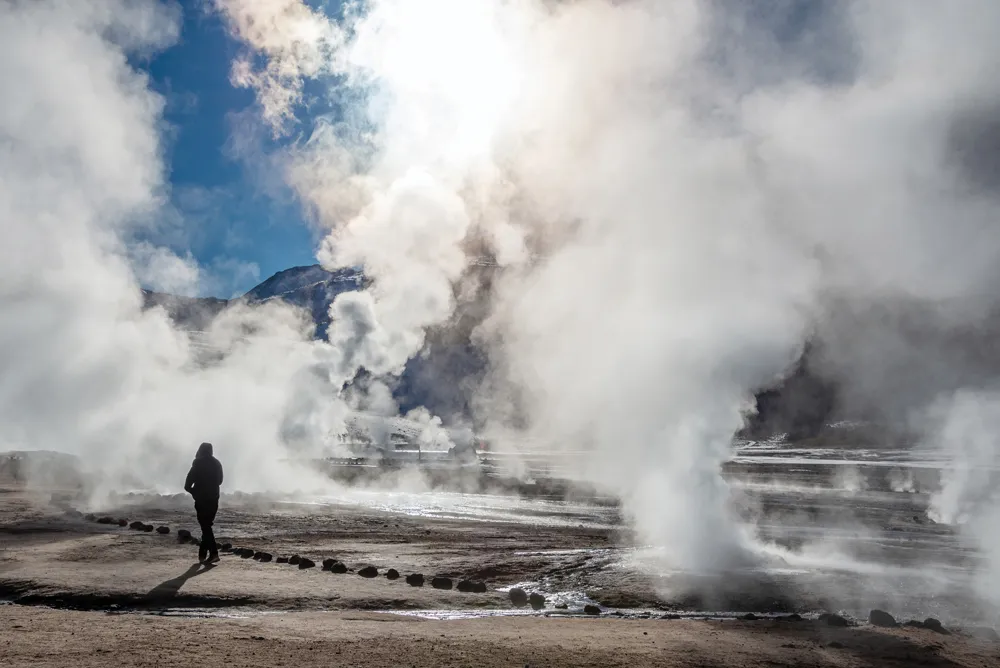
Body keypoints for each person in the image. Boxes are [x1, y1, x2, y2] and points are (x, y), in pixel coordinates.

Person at [184, 442, 224, 563]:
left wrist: (194, 492)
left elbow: (187, 485)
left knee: (205, 526)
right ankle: (202, 554)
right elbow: (220, 481)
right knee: (207, 526)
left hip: (201, 500)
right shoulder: (217, 463)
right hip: (214, 499)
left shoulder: (197, 463)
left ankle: (213, 553)